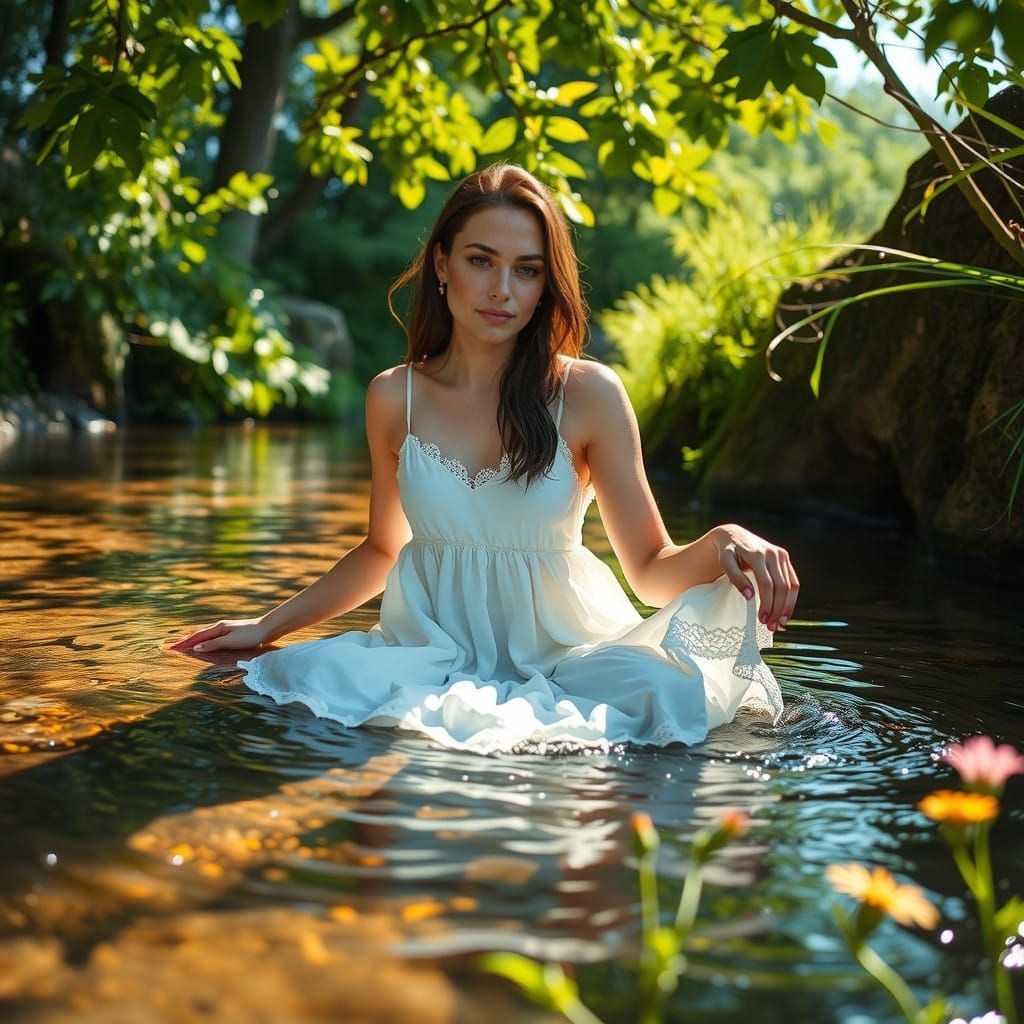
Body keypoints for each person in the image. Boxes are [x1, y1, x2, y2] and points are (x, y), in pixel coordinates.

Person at [172, 163, 799, 755]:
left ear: (544, 285)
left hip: (567, 662)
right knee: (295, 686)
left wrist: (726, 539)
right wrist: (267, 627)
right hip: (428, 656)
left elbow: (649, 570)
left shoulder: (586, 395)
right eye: (481, 261)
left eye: (527, 270)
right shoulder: (395, 396)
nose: (502, 291)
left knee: (666, 694)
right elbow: (382, 551)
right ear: (441, 263)